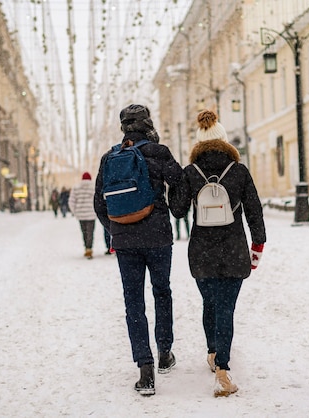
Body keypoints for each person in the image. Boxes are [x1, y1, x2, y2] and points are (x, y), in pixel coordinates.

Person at [168, 110, 266, 397]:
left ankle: (213, 352)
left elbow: (177, 211)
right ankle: (222, 369)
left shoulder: (190, 173)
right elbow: (254, 212)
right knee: (226, 307)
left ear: (198, 143)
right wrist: (257, 246)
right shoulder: (239, 171)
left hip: (201, 251)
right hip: (234, 248)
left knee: (210, 303)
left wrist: (176, 186)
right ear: (225, 141)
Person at [94, 104, 183, 396]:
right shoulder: (159, 152)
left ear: (123, 127)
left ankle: (145, 370)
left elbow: (100, 202)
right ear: (148, 124)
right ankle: (165, 353)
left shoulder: (110, 157)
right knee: (162, 292)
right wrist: (175, 211)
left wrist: (116, 228)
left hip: (125, 241)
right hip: (158, 235)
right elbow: (180, 183)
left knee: (133, 301)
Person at [68, 172, 96, 259]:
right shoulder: (93, 187)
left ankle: (86, 248)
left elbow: (71, 201)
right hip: (91, 213)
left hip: (81, 214)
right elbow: (97, 200)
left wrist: (75, 212)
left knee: (84, 231)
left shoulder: (76, 188)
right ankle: (89, 248)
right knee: (90, 232)